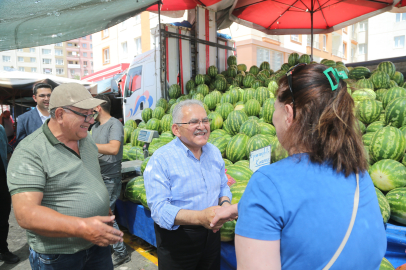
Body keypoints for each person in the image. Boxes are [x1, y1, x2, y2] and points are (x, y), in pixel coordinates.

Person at [210, 64, 387, 270]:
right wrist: (243, 207)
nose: (272, 118)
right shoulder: (359, 175)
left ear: (288, 113)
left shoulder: (266, 184)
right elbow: (314, 202)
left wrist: (255, 203)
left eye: (274, 108)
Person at [7, 83, 124, 270]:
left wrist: (100, 205)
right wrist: (83, 227)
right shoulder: (30, 152)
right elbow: (26, 214)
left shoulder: (86, 139)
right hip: (59, 255)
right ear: (60, 114)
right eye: (84, 114)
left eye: (92, 113)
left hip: (96, 246)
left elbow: (91, 175)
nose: (91, 120)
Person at [144, 99, 232, 270]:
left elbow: (223, 186)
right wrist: (199, 218)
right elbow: (159, 209)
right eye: (193, 122)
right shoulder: (161, 160)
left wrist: (225, 204)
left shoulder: (213, 152)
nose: (202, 126)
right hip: (178, 240)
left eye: (205, 120)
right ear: (176, 129)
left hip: (212, 235)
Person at [91, 94, 130, 266]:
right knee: (102, 215)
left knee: (106, 216)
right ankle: (111, 247)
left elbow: (114, 148)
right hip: (97, 176)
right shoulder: (96, 126)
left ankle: (121, 252)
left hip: (109, 178)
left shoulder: (115, 124)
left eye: (91, 106)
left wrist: (87, 145)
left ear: (98, 107)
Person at [0, 124, 20, 264]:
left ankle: (3, 249)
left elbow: (7, 151)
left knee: (3, 217)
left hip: (2, 179)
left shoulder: (0, 129)